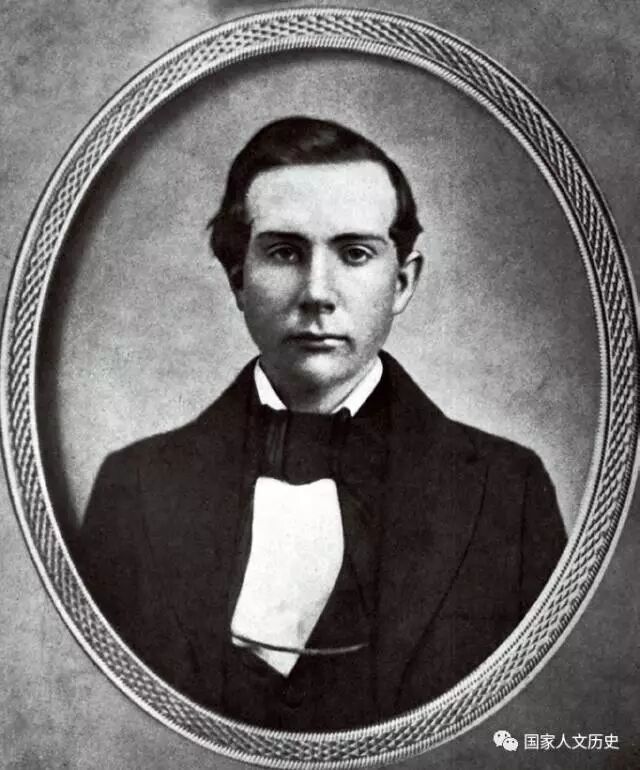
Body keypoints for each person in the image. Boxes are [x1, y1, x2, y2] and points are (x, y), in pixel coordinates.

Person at [77, 116, 566, 731]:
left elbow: (544, 716)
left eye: (355, 254)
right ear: (238, 278)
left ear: (402, 283)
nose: (317, 292)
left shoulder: (509, 491)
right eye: (284, 252)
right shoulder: (134, 487)